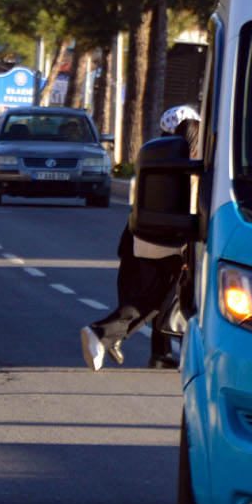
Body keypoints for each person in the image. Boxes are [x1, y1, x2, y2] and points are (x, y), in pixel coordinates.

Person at [80, 104, 199, 370]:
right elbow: (193, 211)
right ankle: (102, 333)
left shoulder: (153, 157)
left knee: (157, 299)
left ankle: (160, 354)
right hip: (173, 247)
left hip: (140, 241)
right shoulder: (193, 167)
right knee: (157, 301)